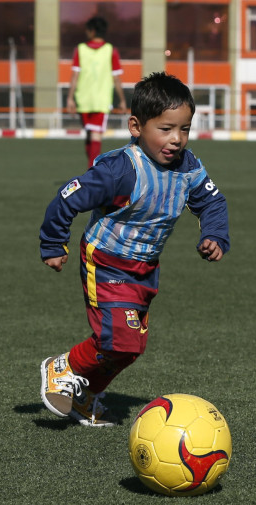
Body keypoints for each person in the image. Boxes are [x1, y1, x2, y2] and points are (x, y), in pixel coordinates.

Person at [39, 72, 230, 427]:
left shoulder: (189, 168)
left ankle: (86, 395)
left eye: (184, 129)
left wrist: (215, 235)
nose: (176, 139)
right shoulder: (121, 170)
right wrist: (53, 243)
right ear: (136, 127)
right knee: (116, 339)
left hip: (144, 269)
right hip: (106, 262)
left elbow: (213, 203)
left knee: (131, 348)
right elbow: (67, 197)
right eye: (166, 128)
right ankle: (63, 367)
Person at [66, 16, 127, 167]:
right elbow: (116, 78)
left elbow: (75, 76)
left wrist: (70, 98)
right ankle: (93, 173)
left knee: (91, 134)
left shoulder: (80, 49)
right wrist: (122, 99)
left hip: (83, 99)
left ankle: (91, 173)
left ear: (92, 31)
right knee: (94, 135)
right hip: (101, 100)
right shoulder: (111, 50)